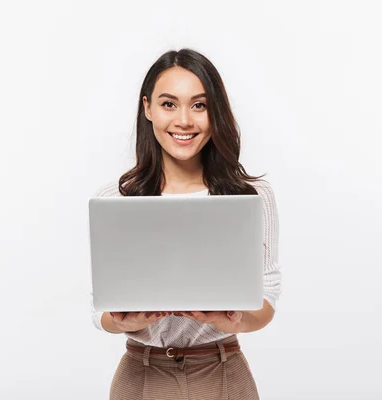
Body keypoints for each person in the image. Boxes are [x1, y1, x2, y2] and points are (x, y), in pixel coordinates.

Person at [90, 48, 280, 400]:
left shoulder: (249, 196)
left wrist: (234, 321)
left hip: (222, 373)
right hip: (141, 376)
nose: (184, 121)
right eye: (168, 104)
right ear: (147, 108)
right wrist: (121, 322)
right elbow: (99, 307)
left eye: (199, 105)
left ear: (215, 112)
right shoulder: (117, 199)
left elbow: (267, 295)